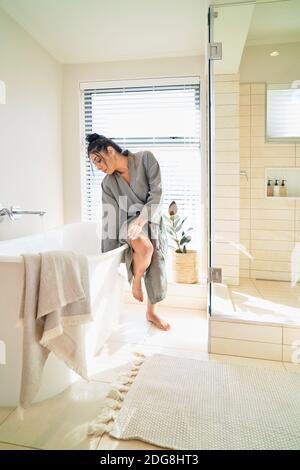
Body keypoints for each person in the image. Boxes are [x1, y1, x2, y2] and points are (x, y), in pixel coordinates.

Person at [86, 133, 170, 331]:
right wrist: (107, 257)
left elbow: (157, 194)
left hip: (151, 218)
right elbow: (110, 217)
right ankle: (137, 280)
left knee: (156, 263)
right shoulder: (108, 183)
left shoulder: (145, 159)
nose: (97, 166)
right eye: (93, 164)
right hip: (127, 224)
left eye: (98, 160)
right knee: (144, 246)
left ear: (110, 150)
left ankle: (152, 312)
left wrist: (142, 221)